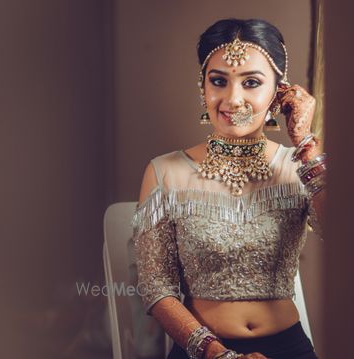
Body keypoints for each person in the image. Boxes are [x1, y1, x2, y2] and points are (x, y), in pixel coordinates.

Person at [131, 18, 327, 359]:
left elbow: (349, 238)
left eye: (251, 83)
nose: (233, 99)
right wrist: (217, 354)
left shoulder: (298, 167)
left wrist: (305, 143)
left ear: (280, 91)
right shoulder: (164, 172)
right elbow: (156, 288)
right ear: (203, 86)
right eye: (218, 81)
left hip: (288, 349)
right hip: (201, 350)